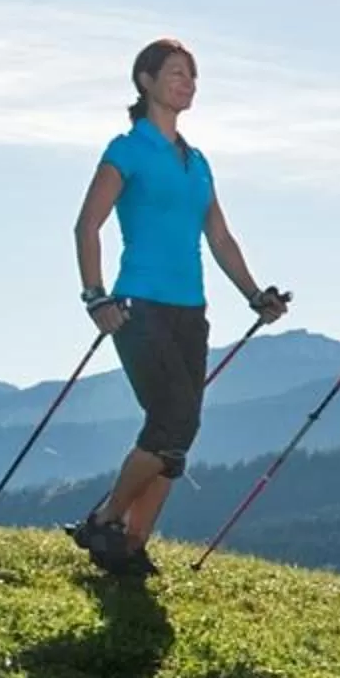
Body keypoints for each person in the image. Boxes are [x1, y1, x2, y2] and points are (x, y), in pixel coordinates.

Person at [66, 38, 289, 577]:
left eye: (192, 75)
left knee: (180, 431)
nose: (187, 82)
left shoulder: (198, 162)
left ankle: (130, 545)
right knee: (172, 418)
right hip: (138, 304)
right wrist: (95, 296)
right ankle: (106, 518)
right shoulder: (127, 149)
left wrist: (255, 295)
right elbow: (86, 225)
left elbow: (219, 235)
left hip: (192, 310)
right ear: (144, 81)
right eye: (175, 73)